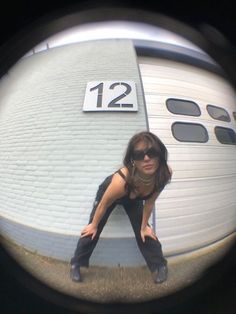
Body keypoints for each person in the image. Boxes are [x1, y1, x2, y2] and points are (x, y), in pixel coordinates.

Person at [70, 131, 172, 283]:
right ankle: (76, 264)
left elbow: (149, 202)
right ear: (133, 160)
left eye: (152, 152)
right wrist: (94, 224)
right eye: (139, 155)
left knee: (145, 231)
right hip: (111, 193)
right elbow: (104, 204)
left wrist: (144, 227)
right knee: (92, 228)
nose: (146, 158)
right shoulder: (121, 180)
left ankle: (160, 266)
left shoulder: (164, 174)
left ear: (160, 153)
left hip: (134, 197)